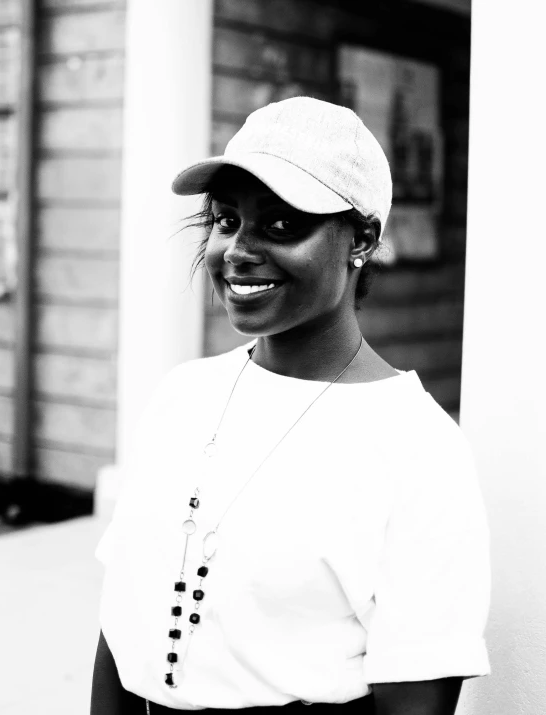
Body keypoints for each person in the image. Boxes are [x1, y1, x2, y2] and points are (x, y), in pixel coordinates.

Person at [91, 97, 490, 715]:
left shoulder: (418, 446)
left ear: (362, 239)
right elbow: (122, 620)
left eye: (282, 225)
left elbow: (417, 695)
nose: (238, 251)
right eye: (226, 220)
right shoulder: (183, 396)